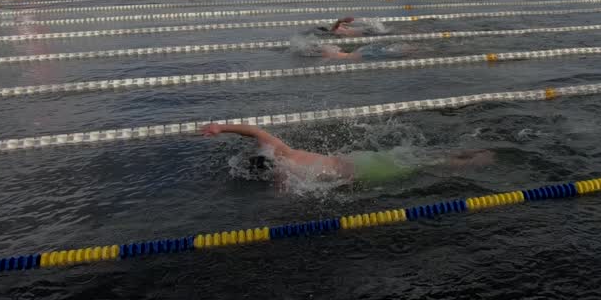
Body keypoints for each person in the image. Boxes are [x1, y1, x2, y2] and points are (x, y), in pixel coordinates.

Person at [201, 123, 492, 186]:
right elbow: (256, 133)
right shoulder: (284, 151)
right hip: (361, 157)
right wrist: (220, 128)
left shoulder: (284, 175)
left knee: (430, 166)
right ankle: (475, 149)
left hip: (366, 172)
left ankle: (480, 161)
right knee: (420, 154)